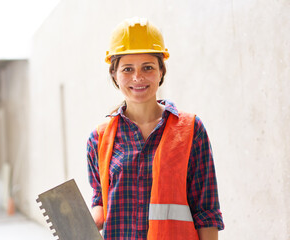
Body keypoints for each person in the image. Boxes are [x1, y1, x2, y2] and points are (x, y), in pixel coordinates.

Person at [87, 17, 224, 240]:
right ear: (114, 74)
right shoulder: (99, 138)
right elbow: (100, 200)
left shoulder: (191, 130)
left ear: (161, 71)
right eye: (127, 69)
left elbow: (206, 211)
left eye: (148, 67)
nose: (138, 77)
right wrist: (83, 220)